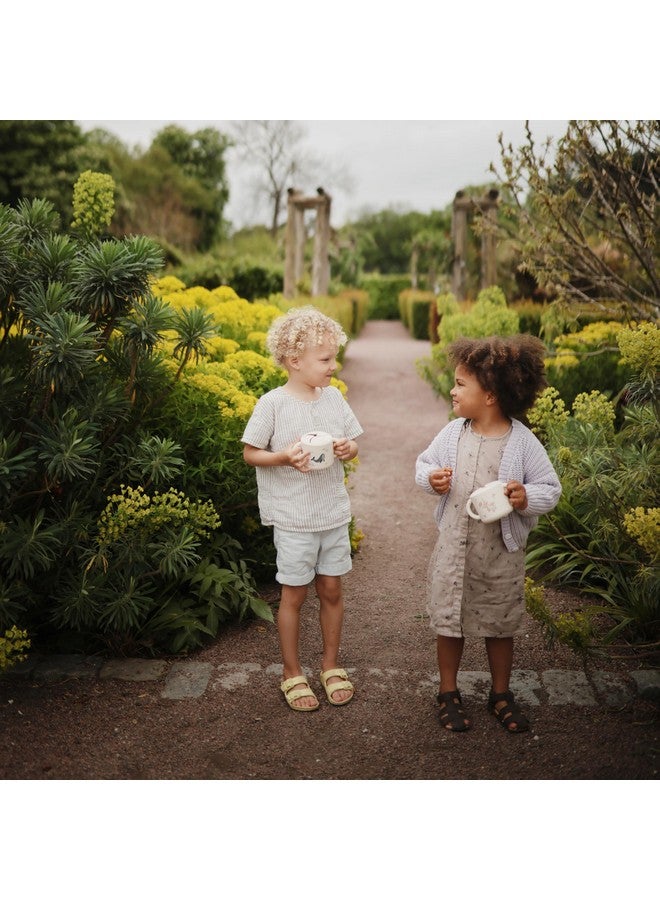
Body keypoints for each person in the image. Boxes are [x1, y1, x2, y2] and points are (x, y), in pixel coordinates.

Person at [415, 335, 561, 733]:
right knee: (451, 621)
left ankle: (500, 694)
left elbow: (550, 489)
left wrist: (525, 496)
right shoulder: (453, 433)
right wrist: (432, 478)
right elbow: (423, 465)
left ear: (491, 396)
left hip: (499, 554)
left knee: (500, 623)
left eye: (461, 384)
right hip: (454, 549)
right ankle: (448, 691)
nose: (452, 390)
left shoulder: (522, 442)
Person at [242, 306, 363, 712]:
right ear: (295, 360)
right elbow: (250, 453)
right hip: (294, 519)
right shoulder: (273, 404)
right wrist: (283, 457)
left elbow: (353, 444)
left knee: (332, 590)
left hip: (332, 514)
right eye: (325, 359)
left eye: (334, 357)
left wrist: (348, 448)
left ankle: (330, 664)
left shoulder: (334, 398)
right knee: (293, 594)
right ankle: (291, 671)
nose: (334, 366)